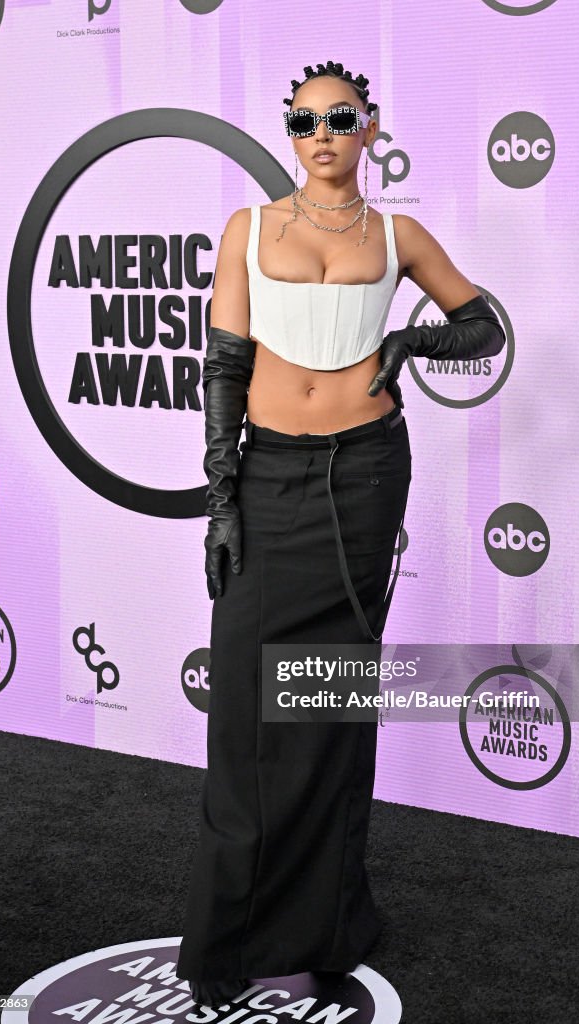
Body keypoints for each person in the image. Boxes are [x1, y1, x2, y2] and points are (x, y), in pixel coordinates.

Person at [176, 59, 506, 1009]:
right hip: (270, 475)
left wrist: (416, 342)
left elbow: (479, 325)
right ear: (288, 131)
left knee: (329, 707)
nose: (320, 132)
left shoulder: (398, 232)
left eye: (340, 117)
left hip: (366, 476)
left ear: (369, 127)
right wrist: (223, 497)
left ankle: (326, 927)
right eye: (303, 119)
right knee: (246, 711)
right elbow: (224, 365)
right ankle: (226, 946)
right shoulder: (249, 229)